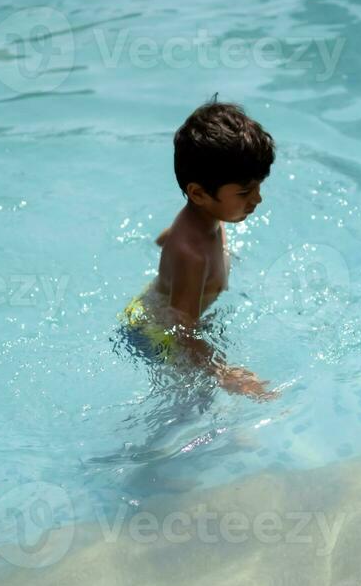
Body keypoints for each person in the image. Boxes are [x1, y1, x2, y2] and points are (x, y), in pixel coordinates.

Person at [119, 96, 278, 400]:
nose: (257, 199)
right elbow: (182, 333)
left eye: (258, 186)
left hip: (152, 306)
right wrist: (223, 371)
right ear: (199, 193)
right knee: (196, 408)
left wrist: (170, 249)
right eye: (245, 192)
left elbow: (169, 236)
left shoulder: (205, 218)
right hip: (154, 337)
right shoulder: (193, 258)